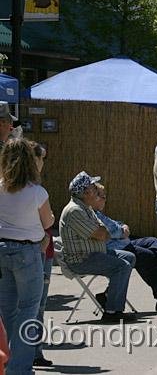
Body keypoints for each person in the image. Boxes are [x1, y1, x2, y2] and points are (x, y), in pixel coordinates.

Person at [0, 139, 54, 374]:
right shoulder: (37, 192)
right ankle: (20, 368)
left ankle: (8, 363)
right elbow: (48, 221)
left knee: (7, 309)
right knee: (28, 310)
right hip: (28, 251)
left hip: (2, 249)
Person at [91, 184, 157, 312]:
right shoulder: (93, 215)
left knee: (152, 241)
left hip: (124, 244)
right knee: (151, 258)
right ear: (94, 198)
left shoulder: (97, 214)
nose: (104, 199)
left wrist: (121, 227)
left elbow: (117, 225)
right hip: (118, 250)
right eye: (102, 196)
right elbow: (115, 230)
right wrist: (122, 229)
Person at [60, 172, 134, 322]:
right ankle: (112, 312)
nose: (96, 191)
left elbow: (103, 231)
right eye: (93, 188)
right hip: (82, 259)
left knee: (129, 257)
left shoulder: (85, 208)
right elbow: (101, 234)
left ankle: (108, 297)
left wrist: (103, 231)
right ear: (86, 192)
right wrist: (103, 231)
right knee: (122, 266)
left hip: (94, 254)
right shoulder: (75, 211)